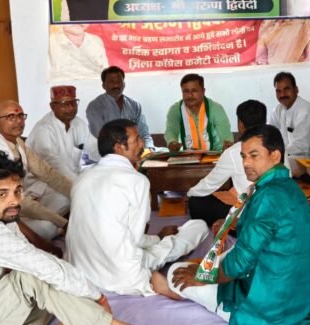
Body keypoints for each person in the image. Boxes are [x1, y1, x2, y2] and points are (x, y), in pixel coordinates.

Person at [152, 125, 310, 324]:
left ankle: (185, 293)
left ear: (275, 156)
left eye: (254, 156)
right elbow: (270, 227)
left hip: (270, 307)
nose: (246, 163)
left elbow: (240, 262)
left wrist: (202, 277)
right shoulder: (288, 186)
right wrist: (235, 222)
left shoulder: (268, 196)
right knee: (215, 260)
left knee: (176, 272)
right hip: (301, 297)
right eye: (243, 156)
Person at [0, 152, 126, 325]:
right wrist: (97, 296)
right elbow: (43, 267)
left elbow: (31, 256)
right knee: (36, 277)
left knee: (53, 289)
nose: (14, 201)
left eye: (17, 191)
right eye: (2, 194)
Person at [66, 119, 209, 296]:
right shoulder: (136, 181)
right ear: (119, 147)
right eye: (137, 139)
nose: (142, 144)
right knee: (198, 226)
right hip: (121, 274)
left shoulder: (83, 177)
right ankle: (155, 278)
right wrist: (158, 238)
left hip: (82, 271)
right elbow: (135, 240)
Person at [0, 100, 73, 240]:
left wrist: (78, 193)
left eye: (21, 116)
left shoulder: (18, 142)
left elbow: (46, 172)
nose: (18, 121)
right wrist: (63, 222)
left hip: (22, 202)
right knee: (48, 227)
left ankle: (48, 224)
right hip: (4, 216)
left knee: (65, 197)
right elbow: (18, 201)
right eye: (10, 117)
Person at [187, 100, 266, 227]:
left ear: (240, 124)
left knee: (196, 202)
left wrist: (189, 193)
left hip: (247, 218)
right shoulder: (278, 146)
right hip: (278, 211)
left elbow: (210, 184)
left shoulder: (234, 151)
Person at [27, 86, 93, 200]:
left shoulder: (79, 123)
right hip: (46, 183)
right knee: (71, 200)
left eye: (73, 103)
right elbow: (53, 163)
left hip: (75, 178)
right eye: (64, 104)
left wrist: (91, 173)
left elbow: (91, 149)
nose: (71, 108)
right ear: (52, 106)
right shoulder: (44, 129)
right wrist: (79, 183)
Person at [269, 71, 310, 176]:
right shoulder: (277, 110)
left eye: (286, 89)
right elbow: (269, 136)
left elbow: (301, 147)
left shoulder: (305, 110)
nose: (282, 95)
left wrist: (276, 154)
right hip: (288, 155)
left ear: (296, 89)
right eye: (278, 91)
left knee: (276, 169)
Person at [86, 65, 154, 150]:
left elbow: (143, 133)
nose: (116, 84)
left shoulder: (134, 105)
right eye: (111, 81)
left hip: (133, 152)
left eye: (119, 81)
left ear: (124, 84)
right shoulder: (95, 106)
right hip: (106, 153)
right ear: (103, 85)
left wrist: (149, 148)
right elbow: (102, 137)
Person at [165, 73, 234, 152]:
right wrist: (172, 142)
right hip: (187, 156)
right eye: (186, 91)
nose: (190, 95)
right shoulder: (175, 109)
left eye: (194, 90)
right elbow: (171, 130)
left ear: (203, 91)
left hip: (214, 155)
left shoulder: (216, 108)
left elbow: (225, 134)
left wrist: (227, 144)